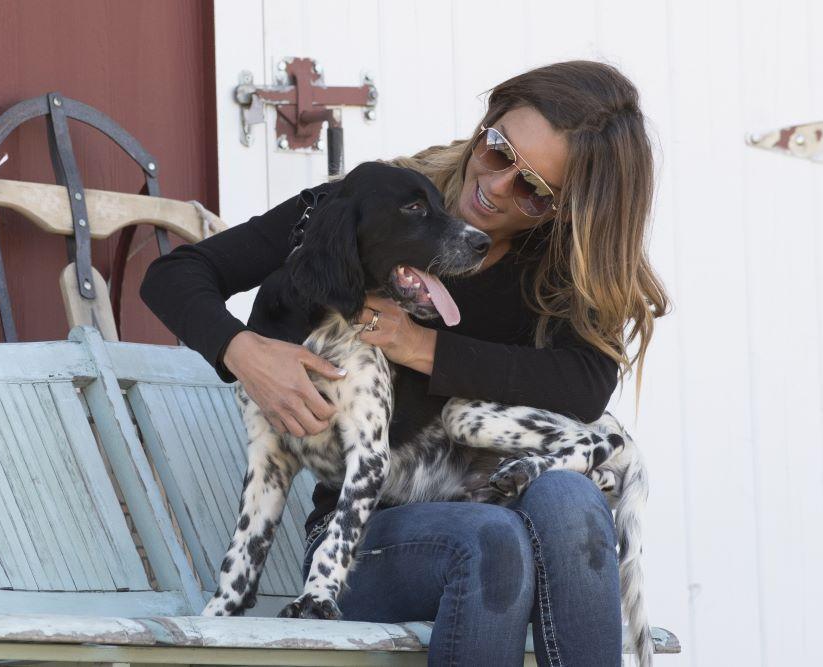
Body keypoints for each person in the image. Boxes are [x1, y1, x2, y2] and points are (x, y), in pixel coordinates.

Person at [141, 59, 670, 667]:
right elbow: (177, 275)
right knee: (494, 546)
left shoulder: (558, 266)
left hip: (498, 496)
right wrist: (245, 352)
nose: (495, 187)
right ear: (488, 122)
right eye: (498, 152)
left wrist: (418, 346)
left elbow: (584, 386)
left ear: (568, 208)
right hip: (369, 535)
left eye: (533, 189)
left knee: (570, 505)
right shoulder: (372, 203)